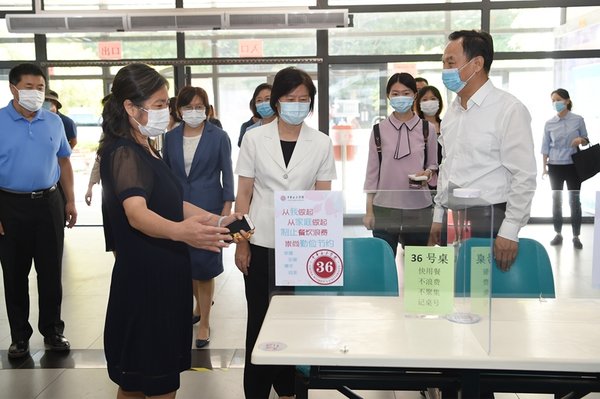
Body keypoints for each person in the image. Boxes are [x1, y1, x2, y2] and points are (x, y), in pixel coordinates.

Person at [98, 63, 239, 399]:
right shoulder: (123, 153)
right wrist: (182, 233)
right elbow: (137, 214)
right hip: (147, 284)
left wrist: (216, 220)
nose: (166, 111)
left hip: (164, 275)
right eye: (159, 104)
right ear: (131, 108)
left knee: (134, 382)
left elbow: (172, 202)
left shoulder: (148, 148)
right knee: (156, 383)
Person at [235, 66, 337, 399]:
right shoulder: (254, 138)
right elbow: (244, 195)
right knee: (260, 322)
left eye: (303, 99)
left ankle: (289, 390)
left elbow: (322, 196)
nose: (297, 104)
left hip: (301, 247)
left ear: (311, 103)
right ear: (277, 101)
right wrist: (241, 243)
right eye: (290, 98)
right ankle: (256, 392)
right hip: (261, 241)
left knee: (294, 323)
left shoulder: (321, 143)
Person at [429, 30, 537, 272]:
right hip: (453, 217)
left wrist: (510, 229)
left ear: (476, 64)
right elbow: (447, 167)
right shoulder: (452, 113)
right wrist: (438, 215)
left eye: (450, 62)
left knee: (486, 300)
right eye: (443, 63)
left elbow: (524, 175)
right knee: (456, 295)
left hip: (490, 219)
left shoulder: (508, 110)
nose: (445, 70)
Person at [0, 62, 77, 359]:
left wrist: (69, 200)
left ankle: (53, 331)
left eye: (40, 88)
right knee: (15, 274)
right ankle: (19, 337)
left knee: (50, 272)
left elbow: (64, 162)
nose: (36, 93)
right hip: (9, 205)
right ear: (13, 88)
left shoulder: (53, 122)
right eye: (29, 88)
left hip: (49, 203)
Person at [163, 85, 235, 348]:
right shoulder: (170, 137)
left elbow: (227, 174)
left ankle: (204, 321)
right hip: (178, 209)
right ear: (179, 110)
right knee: (185, 264)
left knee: (204, 268)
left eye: (199, 106)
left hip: (209, 209)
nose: (194, 111)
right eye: (188, 107)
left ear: (207, 109)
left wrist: (226, 211)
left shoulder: (219, 136)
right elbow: (167, 175)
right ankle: (197, 307)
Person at [363, 73, 439, 256]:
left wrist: (428, 173)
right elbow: (372, 174)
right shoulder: (378, 130)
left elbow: (434, 165)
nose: (400, 98)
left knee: (416, 265)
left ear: (414, 95)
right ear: (388, 96)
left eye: (405, 93)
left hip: (419, 207)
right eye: (395, 94)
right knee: (384, 263)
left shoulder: (427, 129)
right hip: (385, 208)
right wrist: (369, 211)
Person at [541, 88, 588, 250]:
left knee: (574, 201)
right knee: (556, 201)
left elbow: (586, 139)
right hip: (554, 166)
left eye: (558, 99)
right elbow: (545, 147)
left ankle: (576, 236)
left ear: (567, 101)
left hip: (573, 166)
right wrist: (544, 168)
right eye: (553, 100)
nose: (556, 103)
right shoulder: (549, 123)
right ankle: (558, 233)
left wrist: (580, 140)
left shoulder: (578, 119)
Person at [237, 83, 273, 147]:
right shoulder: (250, 131)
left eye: (267, 99)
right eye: (259, 100)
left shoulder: (285, 128)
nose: (263, 103)